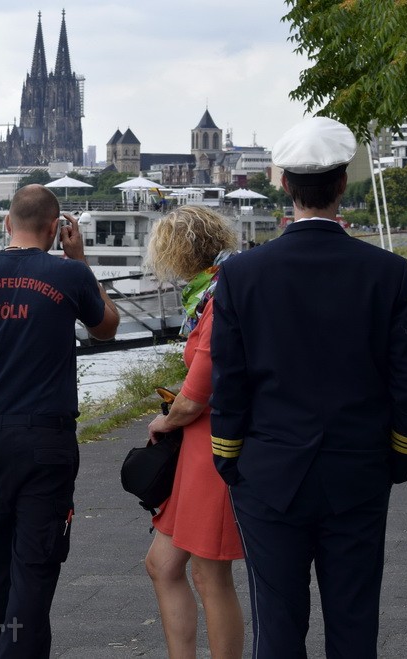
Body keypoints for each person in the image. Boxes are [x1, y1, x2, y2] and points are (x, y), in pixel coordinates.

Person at [210, 116, 407, 658]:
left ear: (283, 184)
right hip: (357, 471)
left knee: (278, 626)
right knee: (355, 624)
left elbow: (230, 384)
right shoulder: (386, 273)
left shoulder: (242, 274)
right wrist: (395, 460)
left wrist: (231, 460)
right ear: (342, 185)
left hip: (269, 473)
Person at [0, 184, 120, 658]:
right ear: (56, 228)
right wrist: (79, 259)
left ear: (6, 223)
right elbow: (107, 327)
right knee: (34, 569)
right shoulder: (67, 275)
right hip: (47, 438)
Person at [142, 206, 244, 658]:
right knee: (163, 564)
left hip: (212, 451)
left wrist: (164, 419)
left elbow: (196, 396)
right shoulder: (213, 293)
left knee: (209, 574)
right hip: (198, 451)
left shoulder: (217, 302)